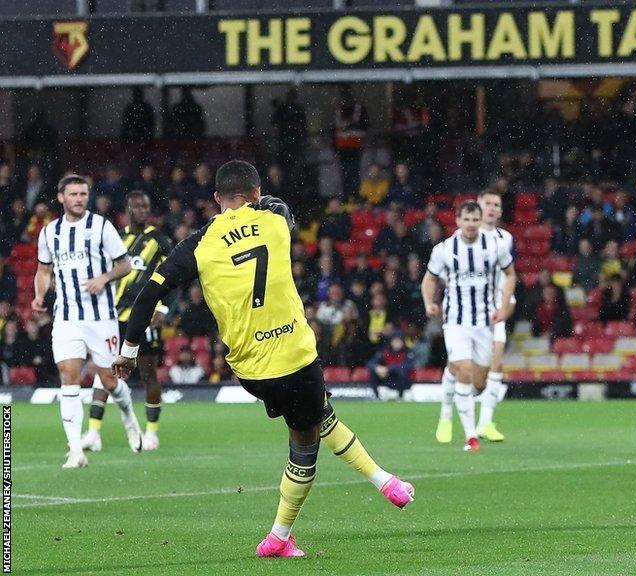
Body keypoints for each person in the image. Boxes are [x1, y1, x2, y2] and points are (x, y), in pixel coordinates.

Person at [111, 160, 413, 557]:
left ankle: (382, 481)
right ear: (255, 193)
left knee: (317, 417)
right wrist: (264, 201)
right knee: (306, 441)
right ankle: (280, 536)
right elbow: (279, 213)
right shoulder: (275, 221)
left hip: (249, 368)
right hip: (296, 354)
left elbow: (148, 294)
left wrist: (129, 352)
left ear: (217, 199)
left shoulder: (196, 246)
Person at [33, 174, 140, 468]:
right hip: (67, 318)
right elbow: (44, 271)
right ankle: (75, 450)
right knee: (69, 375)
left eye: (83, 194)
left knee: (109, 379)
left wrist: (103, 278)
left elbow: (125, 264)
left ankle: (129, 416)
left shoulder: (101, 227)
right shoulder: (49, 233)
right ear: (61, 198)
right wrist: (39, 295)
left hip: (100, 317)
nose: (79, 199)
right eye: (74, 194)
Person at [82, 190, 174, 453]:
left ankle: (151, 433)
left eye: (146, 206)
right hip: (113, 317)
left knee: (148, 373)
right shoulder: (116, 238)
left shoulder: (159, 239)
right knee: (104, 371)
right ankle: (93, 432)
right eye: (138, 206)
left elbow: (173, 275)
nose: (143, 210)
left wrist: (164, 307)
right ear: (128, 210)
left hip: (144, 317)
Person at [421, 200, 516, 452]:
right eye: (467, 220)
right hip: (456, 321)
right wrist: (429, 302)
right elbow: (429, 279)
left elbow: (511, 274)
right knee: (465, 370)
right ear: (458, 221)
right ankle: (470, 436)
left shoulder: (494, 245)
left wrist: (504, 305)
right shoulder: (445, 249)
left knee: (480, 381)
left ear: (479, 220)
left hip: (484, 321)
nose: (472, 224)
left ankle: (450, 375)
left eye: (476, 220)